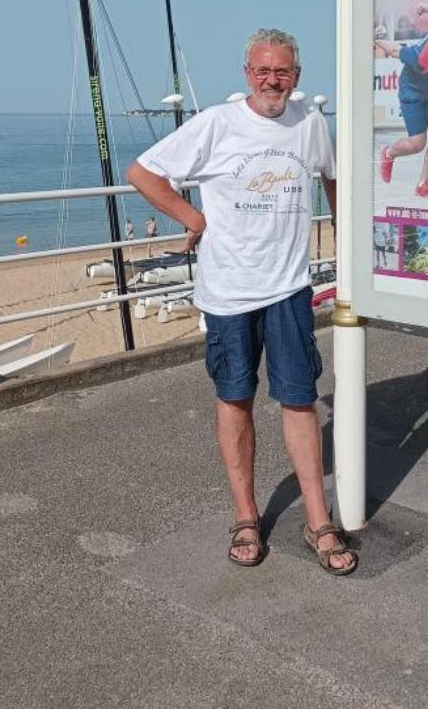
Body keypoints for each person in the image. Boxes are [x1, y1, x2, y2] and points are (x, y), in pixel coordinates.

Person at [126, 29, 357, 576]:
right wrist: (194, 219)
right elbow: (142, 173)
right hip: (229, 292)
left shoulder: (310, 123)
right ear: (247, 74)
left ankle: (318, 521)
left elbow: (332, 177)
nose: (272, 80)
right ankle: (247, 515)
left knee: (300, 400)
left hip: (289, 287)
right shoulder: (216, 124)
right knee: (236, 399)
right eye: (262, 71)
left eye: (282, 71)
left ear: (296, 76)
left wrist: (344, 236)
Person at [375, 4, 428, 200]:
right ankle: (389, 152)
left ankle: (423, 184)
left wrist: (425, 7)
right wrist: (375, 39)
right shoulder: (419, 57)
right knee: (417, 144)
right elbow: (394, 50)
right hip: (412, 95)